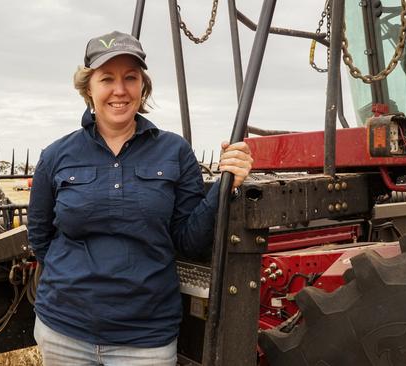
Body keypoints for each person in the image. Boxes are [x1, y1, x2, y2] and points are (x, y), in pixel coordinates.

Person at [27, 30, 253, 366]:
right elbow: (40, 238)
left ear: (142, 87)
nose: (119, 90)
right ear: (88, 88)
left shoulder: (174, 151)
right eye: (107, 79)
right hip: (65, 332)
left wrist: (227, 183)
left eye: (130, 78)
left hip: (146, 338)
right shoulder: (57, 155)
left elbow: (188, 240)